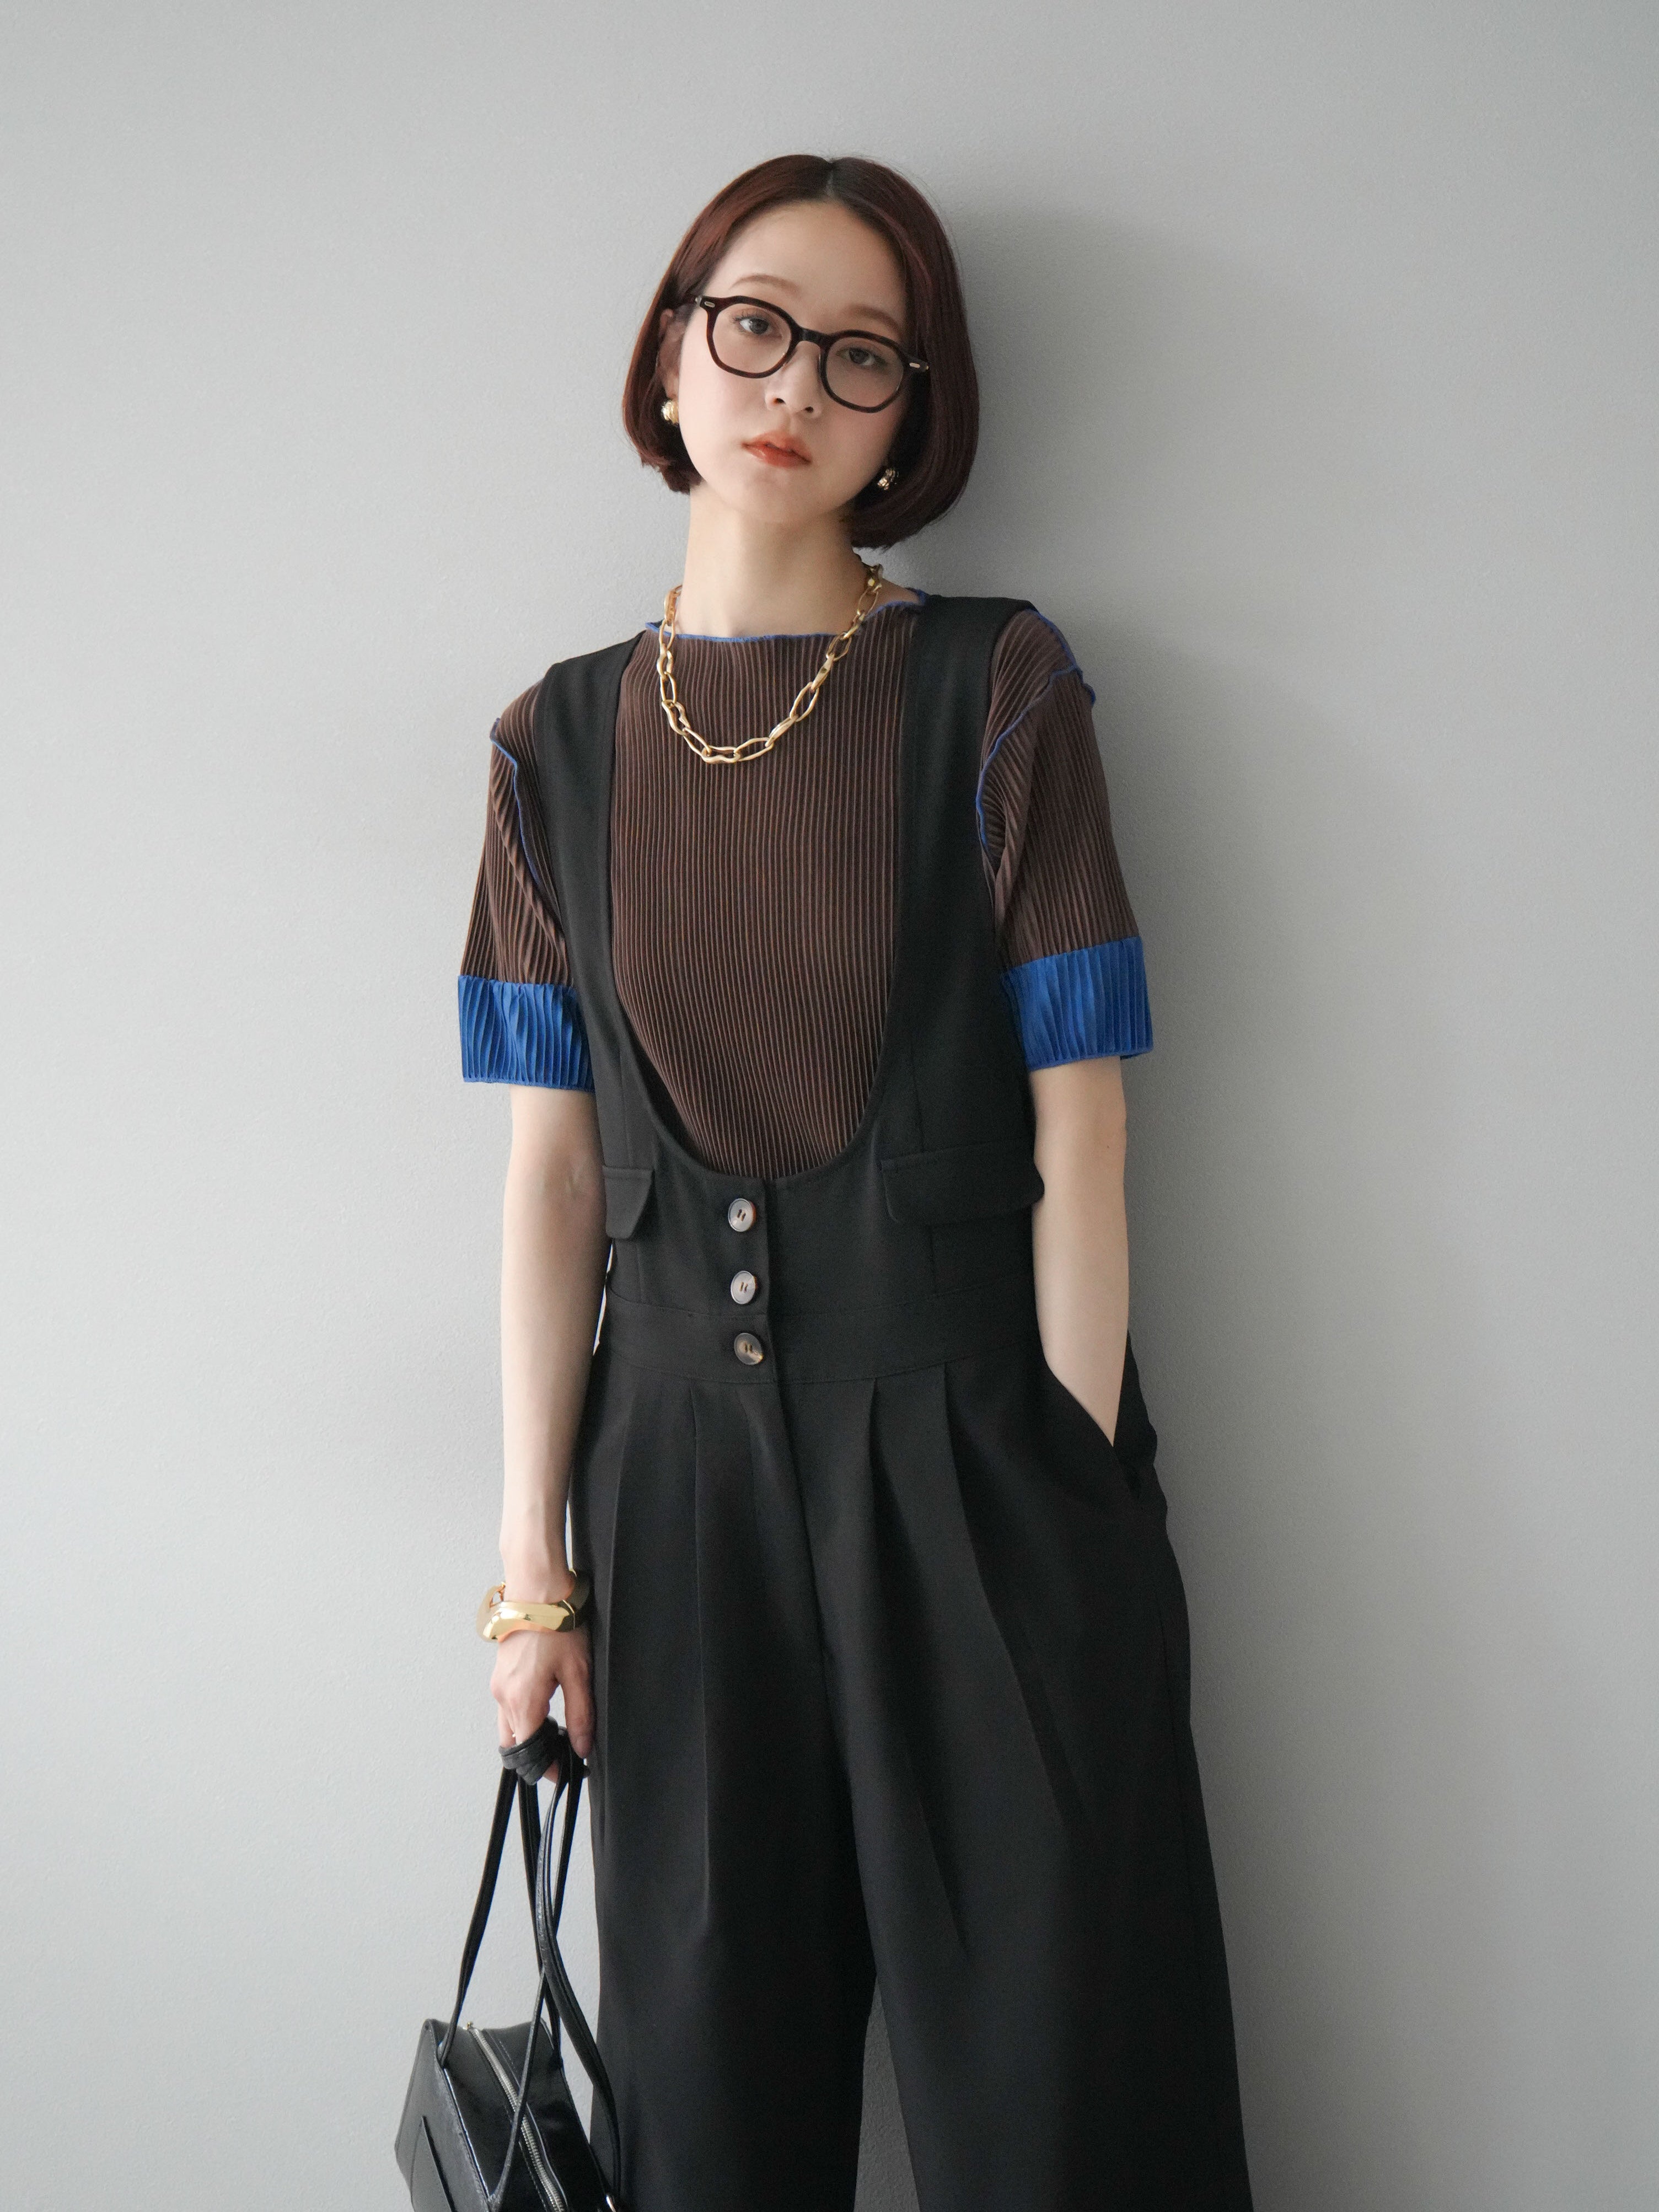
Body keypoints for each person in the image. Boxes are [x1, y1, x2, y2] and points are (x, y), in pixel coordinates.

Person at [458, 153, 1252, 2212]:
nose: (794, 383)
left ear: (914, 415)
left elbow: (1085, 1125)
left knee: (1061, 2093)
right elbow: (550, 1181)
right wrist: (534, 1571)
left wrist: (1068, 1484)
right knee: (709, 2098)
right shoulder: (552, 745)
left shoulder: (998, 686)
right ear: (668, 351)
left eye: (861, 354)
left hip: (981, 1453)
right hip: (675, 1491)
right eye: (753, 324)